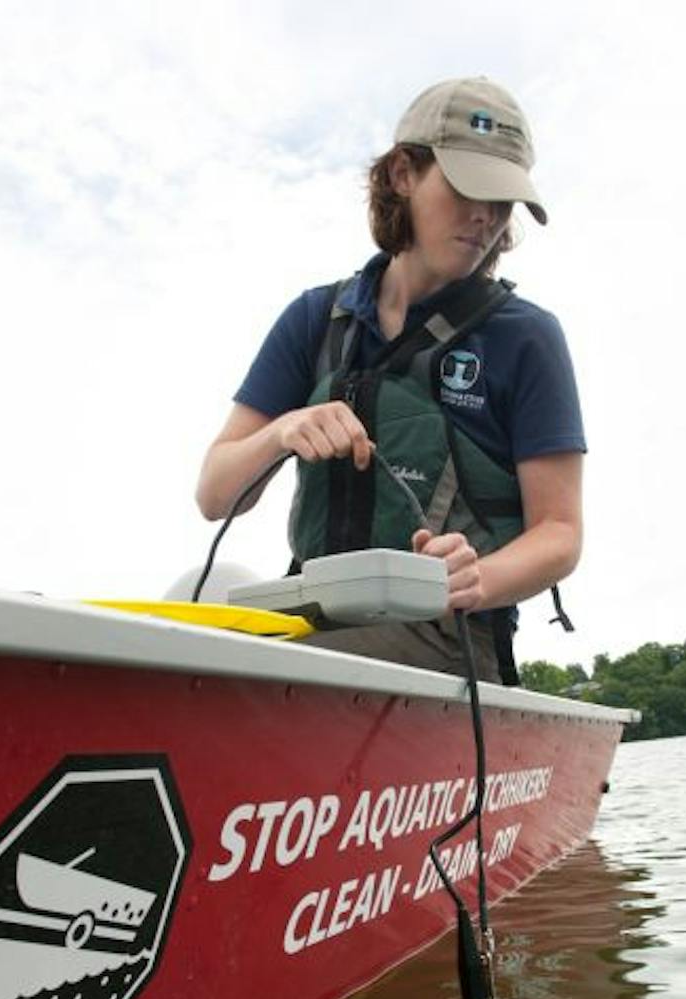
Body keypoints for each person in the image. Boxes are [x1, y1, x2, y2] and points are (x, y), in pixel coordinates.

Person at [198, 77, 584, 683]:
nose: (485, 217)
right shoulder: (312, 320)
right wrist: (282, 431)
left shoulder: (527, 337)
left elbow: (559, 534)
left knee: (245, 680)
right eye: (467, 189)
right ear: (404, 173)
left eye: (503, 201)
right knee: (189, 642)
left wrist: (473, 579)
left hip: (450, 636)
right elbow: (216, 495)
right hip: (311, 615)